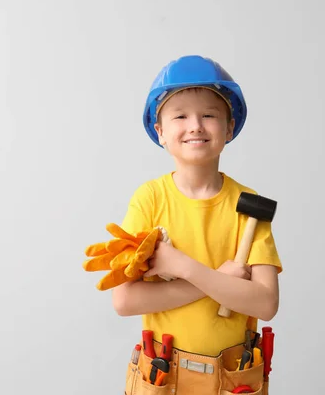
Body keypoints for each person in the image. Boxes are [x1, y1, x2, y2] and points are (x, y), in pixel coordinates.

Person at [112, 55, 282, 395]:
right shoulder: (149, 200)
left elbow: (265, 304)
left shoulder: (247, 204)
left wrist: (184, 267)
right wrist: (216, 281)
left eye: (209, 115)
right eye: (180, 115)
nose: (196, 125)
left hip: (233, 379)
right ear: (160, 132)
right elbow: (125, 301)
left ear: (229, 127)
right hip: (165, 375)